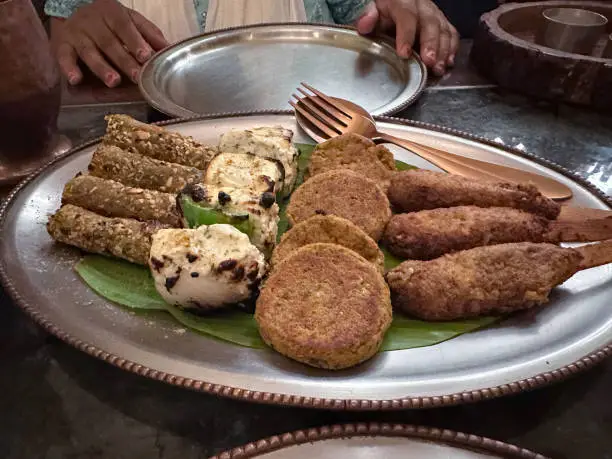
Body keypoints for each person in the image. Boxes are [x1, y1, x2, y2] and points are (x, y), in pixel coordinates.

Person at [46, 0, 460, 88]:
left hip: (307, 143)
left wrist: (400, 16)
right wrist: (82, 24)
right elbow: (63, 37)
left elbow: (370, 15)